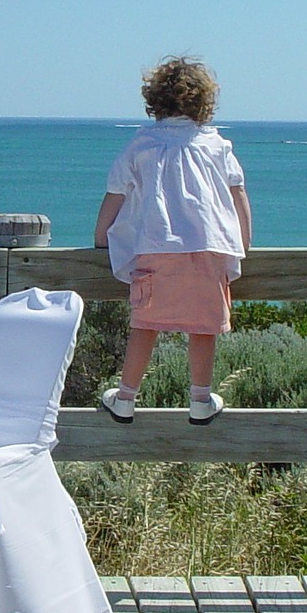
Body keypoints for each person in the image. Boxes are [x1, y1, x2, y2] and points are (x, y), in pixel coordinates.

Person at [92, 56, 253, 424]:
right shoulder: (216, 144)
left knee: (145, 323)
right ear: (204, 102)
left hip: (157, 245)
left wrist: (102, 237)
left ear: (155, 101)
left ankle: (126, 398)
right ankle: (200, 399)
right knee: (203, 326)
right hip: (210, 246)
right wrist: (242, 241)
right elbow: (237, 194)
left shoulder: (142, 143)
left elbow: (116, 193)